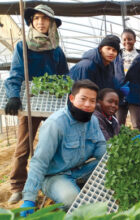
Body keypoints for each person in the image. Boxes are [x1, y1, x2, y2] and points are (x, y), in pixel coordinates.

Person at [4, 4, 69, 204]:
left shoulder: (56, 50)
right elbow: (15, 74)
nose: (41, 22)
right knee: (23, 146)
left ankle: (51, 182)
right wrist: (13, 96)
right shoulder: (23, 45)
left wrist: (66, 96)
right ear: (31, 22)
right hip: (29, 102)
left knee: (53, 145)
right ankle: (17, 186)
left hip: (51, 103)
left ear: (51, 23)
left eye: (45, 19)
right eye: (37, 18)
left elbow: (65, 77)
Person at [19, 80, 106, 216]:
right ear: (71, 98)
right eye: (83, 99)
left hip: (80, 170)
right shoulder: (56, 124)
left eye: (92, 101)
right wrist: (29, 198)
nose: (88, 104)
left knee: (109, 168)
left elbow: (101, 149)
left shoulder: (92, 121)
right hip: (54, 176)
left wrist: (121, 149)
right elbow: (39, 162)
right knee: (73, 200)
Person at [114, 28, 140, 132]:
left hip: (135, 94)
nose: (127, 42)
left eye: (130, 39)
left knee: (137, 124)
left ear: (135, 40)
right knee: (118, 124)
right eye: (124, 39)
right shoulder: (116, 57)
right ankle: (118, 147)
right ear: (121, 41)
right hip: (119, 95)